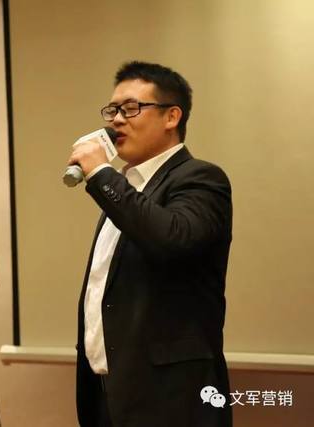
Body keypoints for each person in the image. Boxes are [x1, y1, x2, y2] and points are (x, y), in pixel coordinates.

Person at [68, 61, 233, 427]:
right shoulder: (125, 189)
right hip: (107, 393)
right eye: (112, 110)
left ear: (172, 116)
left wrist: (101, 173)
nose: (116, 120)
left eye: (130, 108)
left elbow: (171, 238)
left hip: (170, 399)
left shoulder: (201, 178)